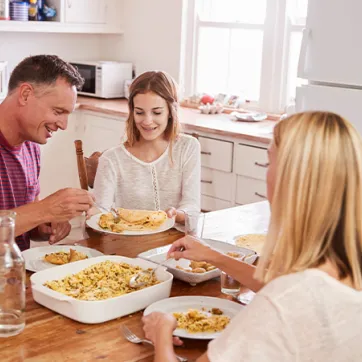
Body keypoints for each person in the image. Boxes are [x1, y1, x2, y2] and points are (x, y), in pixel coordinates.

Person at [142, 111, 362, 361]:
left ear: (290, 180)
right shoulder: (338, 272)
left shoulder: (281, 305)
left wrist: (161, 331)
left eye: (270, 162)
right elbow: (282, 285)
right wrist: (215, 257)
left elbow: (285, 296)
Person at [0, 55, 94, 251]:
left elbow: (22, 217)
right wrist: (45, 210)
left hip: (14, 272)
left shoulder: (31, 146)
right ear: (25, 94)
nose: (64, 125)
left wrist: (44, 224)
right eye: (58, 112)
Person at [93, 71, 200, 224]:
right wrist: (93, 212)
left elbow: (192, 209)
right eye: (139, 112)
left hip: (177, 244)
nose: (147, 121)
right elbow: (101, 212)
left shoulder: (188, 147)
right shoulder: (111, 159)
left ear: (171, 111)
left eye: (157, 112)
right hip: (131, 245)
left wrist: (177, 214)